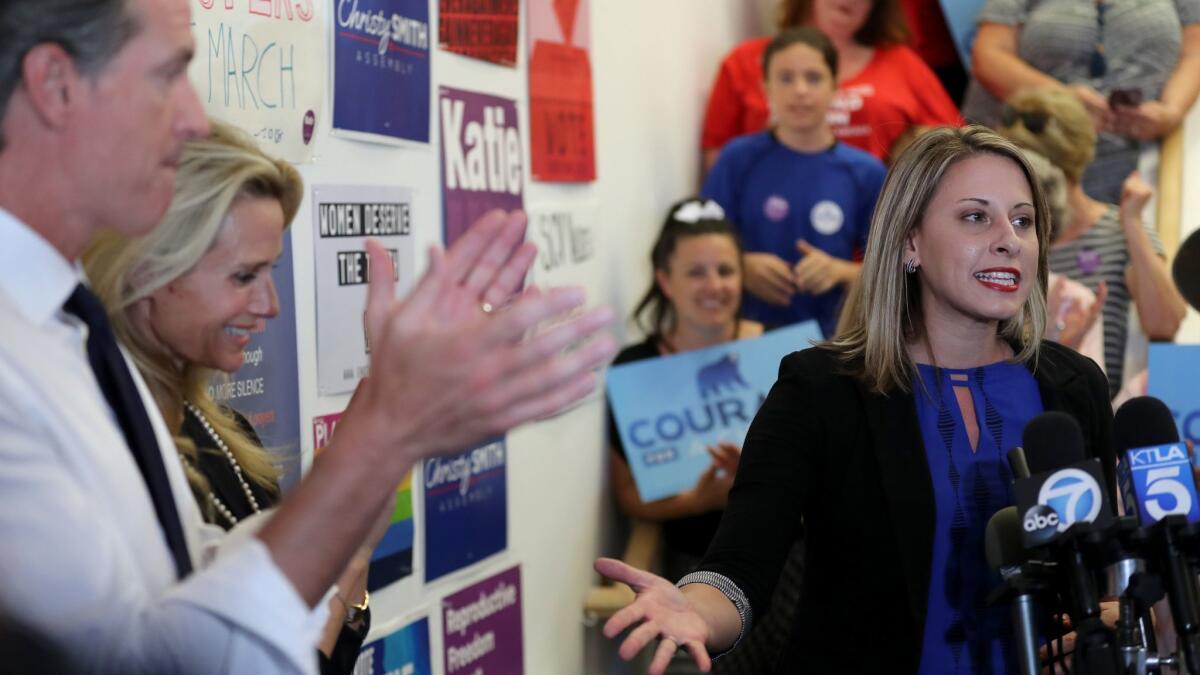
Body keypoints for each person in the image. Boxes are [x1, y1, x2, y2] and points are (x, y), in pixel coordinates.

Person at [0, 1, 616, 673]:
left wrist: (387, 413)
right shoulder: (28, 358)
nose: (193, 118)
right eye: (166, 75)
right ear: (55, 84)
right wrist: (389, 424)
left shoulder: (65, 333)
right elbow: (154, 658)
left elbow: (194, 583)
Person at [597, 126, 1116, 674]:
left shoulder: (1073, 387)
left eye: (1023, 220)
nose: (1009, 239)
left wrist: (1116, 617)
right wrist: (696, 609)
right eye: (974, 216)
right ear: (909, 241)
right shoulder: (821, 389)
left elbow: (1109, 572)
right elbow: (741, 565)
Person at [82, 120, 382, 675]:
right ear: (147, 267)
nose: (270, 305)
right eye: (244, 276)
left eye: (271, 273)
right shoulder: (94, 456)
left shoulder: (228, 436)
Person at [606, 198, 802, 674]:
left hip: (793, 554)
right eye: (696, 273)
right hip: (691, 559)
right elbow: (631, 496)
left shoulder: (792, 357)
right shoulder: (636, 369)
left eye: (725, 271)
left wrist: (762, 485)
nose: (714, 286)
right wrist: (701, 498)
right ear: (665, 280)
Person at [996, 87, 1187, 397]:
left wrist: (1133, 226)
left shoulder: (1120, 225)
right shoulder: (1011, 238)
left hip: (1108, 408)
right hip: (1029, 395)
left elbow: (1165, 323)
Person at [702, 28, 886, 338]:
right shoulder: (737, 160)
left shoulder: (866, 172)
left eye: (813, 78)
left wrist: (840, 272)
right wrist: (741, 266)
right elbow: (702, 249)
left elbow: (895, 271)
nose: (800, 90)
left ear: (835, 86)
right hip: (748, 340)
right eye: (786, 78)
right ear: (766, 87)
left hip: (832, 342)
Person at [964, 0, 1200, 204]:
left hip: (1158, 162)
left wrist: (1171, 112)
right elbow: (988, 56)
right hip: (1042, 160)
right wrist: (1061, 99)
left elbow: (1195, 50)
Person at [701, 0, 961, 169]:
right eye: (786, 78)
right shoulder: (743, 62)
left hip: (875, 234)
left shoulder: (902, 63)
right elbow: (718, 168)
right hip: (768, 235)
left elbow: (957, 147)